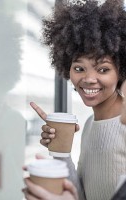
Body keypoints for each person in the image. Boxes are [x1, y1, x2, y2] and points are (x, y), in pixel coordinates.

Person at [23, 0, 126, 200]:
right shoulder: (89, 125)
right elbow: (81, 195)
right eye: (79, 68)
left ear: (120, 71)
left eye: (103, 69)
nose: (88, 79)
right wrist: (60, 150)